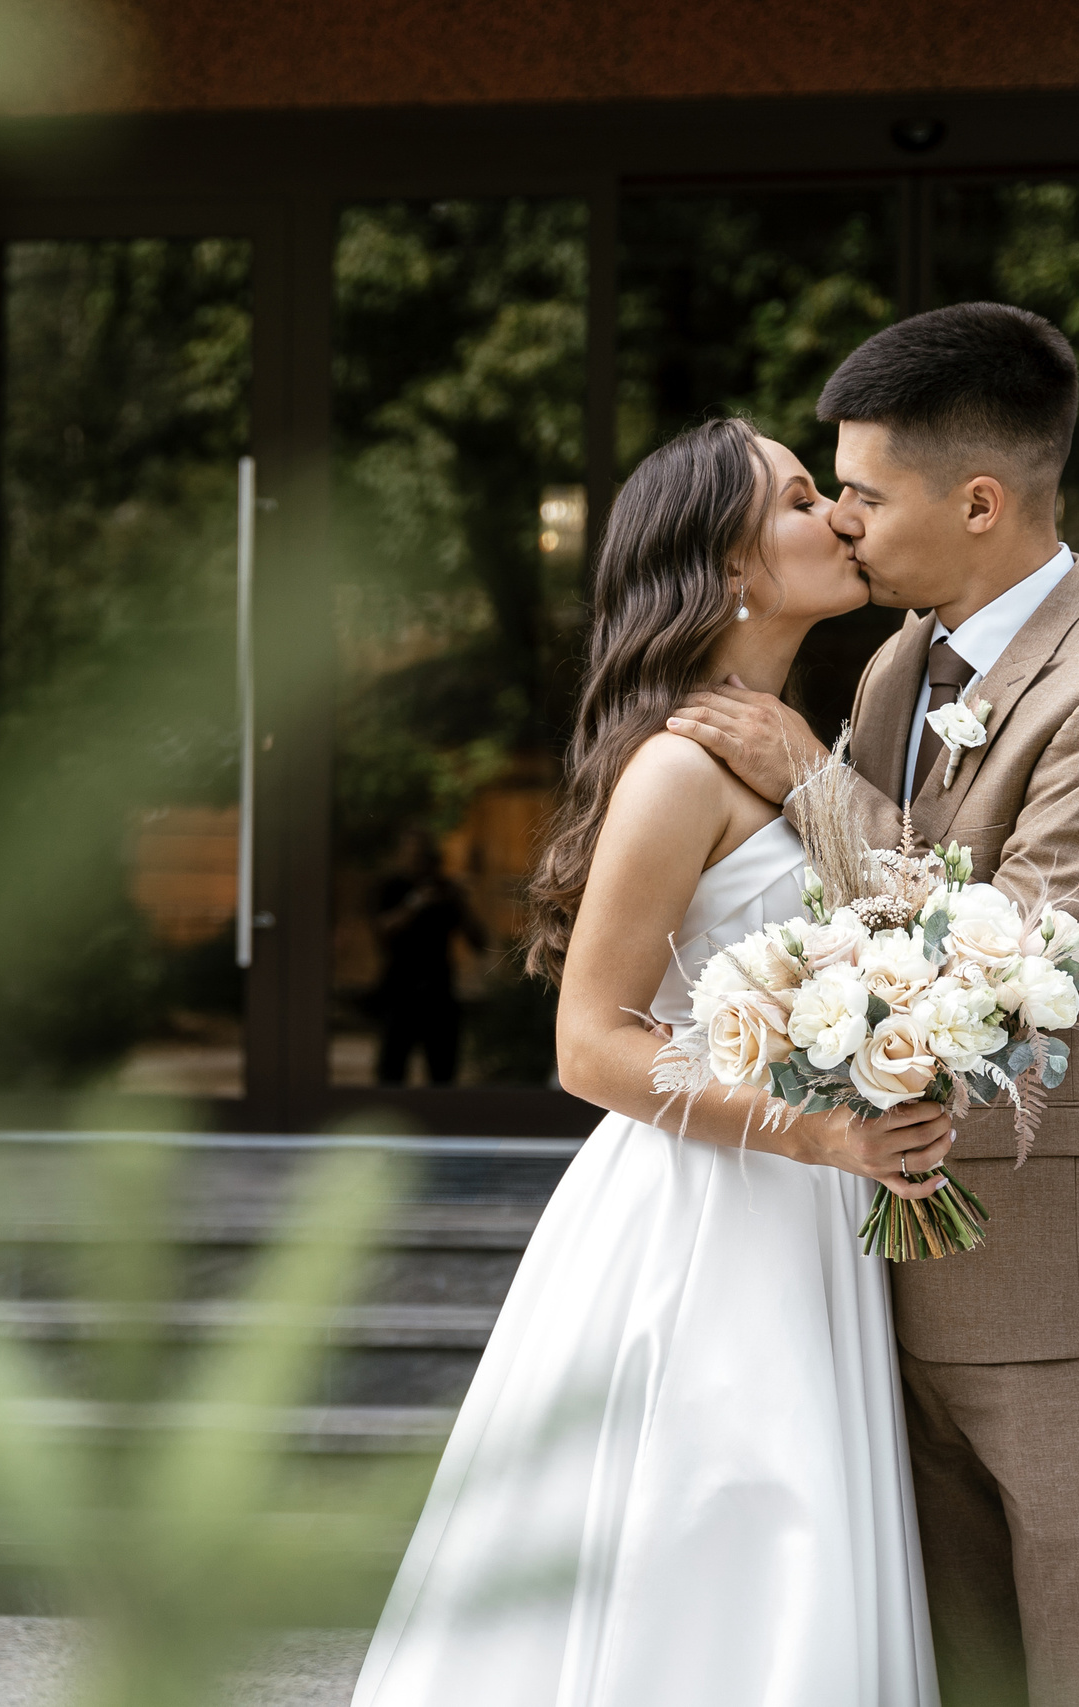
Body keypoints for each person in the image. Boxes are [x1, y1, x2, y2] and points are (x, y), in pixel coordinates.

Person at [666, 303, 1079, 1707]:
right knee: (960, 1670)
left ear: (978, 501)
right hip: (878, 1276)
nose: (841, 520)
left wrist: (812, 778)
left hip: (1066, 1276)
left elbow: (1011, 952)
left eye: (861, 490)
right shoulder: (898, 666)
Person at [352, 413, 951, 1707]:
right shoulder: (679, 767)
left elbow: (906, 933)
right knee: (729, 1527)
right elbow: (587, 1041)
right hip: (710, 1214)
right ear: (732, 562)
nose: (840, 515)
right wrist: (824, 1134)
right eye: (803, 498)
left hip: (806, 1205)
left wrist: (816, 784)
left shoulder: (803, 745)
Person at [370, 829, 488, 1086]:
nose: (418, 862)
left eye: (424, 856)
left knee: (443, 1071)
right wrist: (414, 904)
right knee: (391, 1069)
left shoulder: (445, 890)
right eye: (412, 855)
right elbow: (381, 932)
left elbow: (479, 942)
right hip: (399, 987)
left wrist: (460, 903)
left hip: (438, 989)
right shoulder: (393, 886)